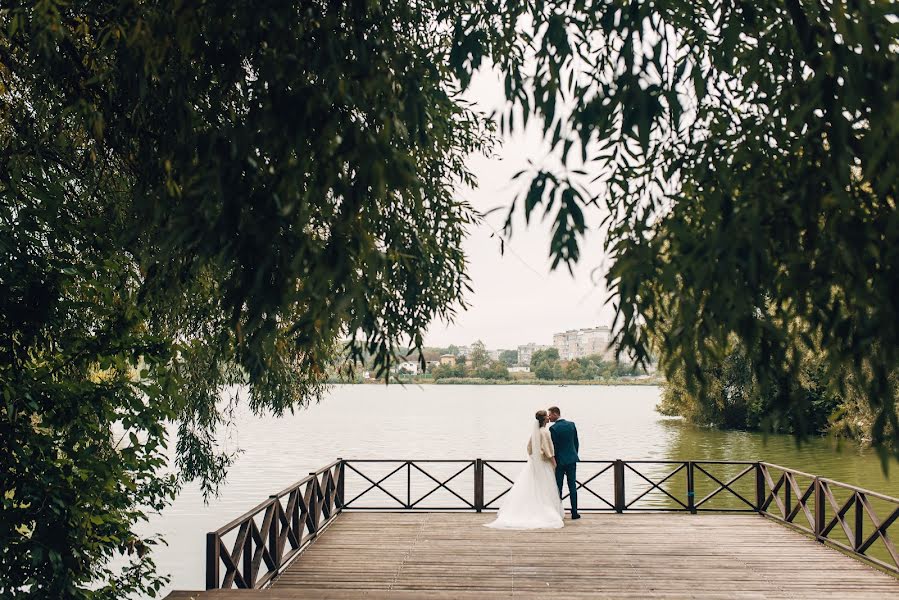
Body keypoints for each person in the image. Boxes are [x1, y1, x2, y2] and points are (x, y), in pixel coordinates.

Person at [484, 410, 564, 529]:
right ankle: (543, 510)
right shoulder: (545, 432)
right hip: (544, 464)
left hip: (533, 464)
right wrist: (554, 462)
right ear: (544, 419)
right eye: (547, 416)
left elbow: (529, 449)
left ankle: (526, 509)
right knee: (544, 488)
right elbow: (548, 450)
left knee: (532, 486)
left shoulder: (535, 433)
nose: (549, 418)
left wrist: (535, 458)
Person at [548, 406, 580, 519]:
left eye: (550, 414)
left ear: (556, 414)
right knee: (572, 486)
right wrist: (574, 454)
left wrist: (553, 461)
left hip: (560, 461)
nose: (549, 417)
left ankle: (558, 512)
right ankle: (574, 512)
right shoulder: (572, 424)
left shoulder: (553, 428)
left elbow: (554, 447)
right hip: (572, 459)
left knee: (558, 487)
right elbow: (576, 442)